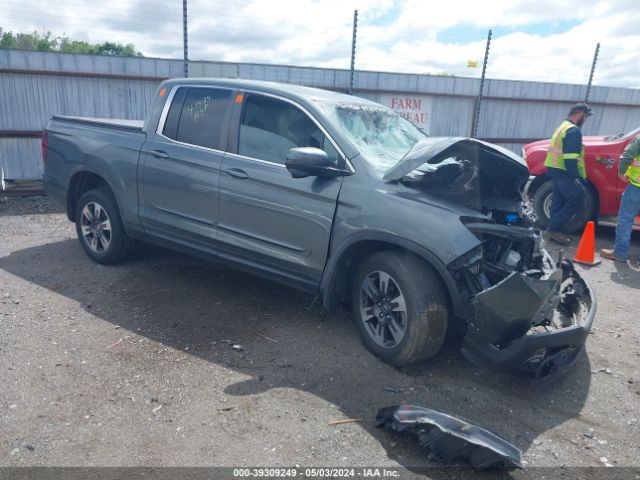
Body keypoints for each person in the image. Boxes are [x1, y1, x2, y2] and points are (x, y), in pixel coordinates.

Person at [544, 103, 592, 245]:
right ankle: (554, 229)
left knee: (558, 200)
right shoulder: (573, 130)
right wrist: (575, 177)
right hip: (565, 172)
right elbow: (571, 158)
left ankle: (553, 230)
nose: (586, 119)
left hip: (555, 169)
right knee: (577, 196)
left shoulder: (563, 126)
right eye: (586, 115)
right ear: (579, 113)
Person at [600, 135, 640, 263]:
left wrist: (621, 172)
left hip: (637, 187)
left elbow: (627, 155)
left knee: (625, 219)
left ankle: (620, 253)